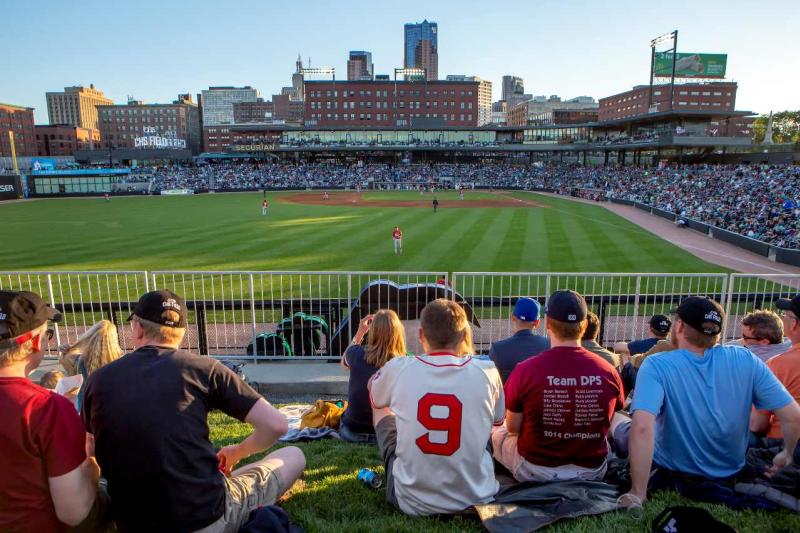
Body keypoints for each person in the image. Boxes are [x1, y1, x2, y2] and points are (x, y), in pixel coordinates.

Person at [82, 290, 305, 532]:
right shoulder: (204, 369)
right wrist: (238, 451)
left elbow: (88, 447)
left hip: (132, 519)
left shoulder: (99, 380)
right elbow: (277, 425)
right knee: (293, 455)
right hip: (205, 517)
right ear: (182, 333)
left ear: (137, 328)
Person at [614, 296, 800, 507]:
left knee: (616, 419)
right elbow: (793, 416)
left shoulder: (657, 364)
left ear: (680, 326)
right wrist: (787, 454)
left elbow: (642, 429)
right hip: (731, 470)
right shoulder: (745, 358)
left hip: (674, 469)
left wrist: (638, 492)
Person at [369, 299, 504, 516]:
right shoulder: (487, 371)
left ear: (421, 335)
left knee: (382, 407)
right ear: (462, 336)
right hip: (477, 498)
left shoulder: (399, 368)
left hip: (411, 501)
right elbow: (497, 422)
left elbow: (374, 395)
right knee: (488, 426)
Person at [493, 290, 624, 482]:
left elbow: (513, 427)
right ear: (584, 324)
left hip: (535, 470)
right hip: (592, 470)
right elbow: (612, 415)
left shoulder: (525, 370)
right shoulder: (608, 370)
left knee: (498, 430)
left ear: (547, 324)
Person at [0, 291, 101, 531]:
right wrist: (93, 469)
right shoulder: (46, 408)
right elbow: (73, 512)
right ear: (35, 342)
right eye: (48, 334)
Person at [339, 310, 406, 443]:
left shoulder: (355, 352)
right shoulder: (404, 363)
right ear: (398, 333)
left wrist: (359, 334)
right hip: (386, 434)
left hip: (352, 431)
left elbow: (343, 364)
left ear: (372, 331)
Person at [750, 295, 800, 454]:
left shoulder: (779, 364)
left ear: (794, 323)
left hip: (781, 448)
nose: (783, 319)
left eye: (786, 315)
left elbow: (757, 425)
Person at [59, 319, 123, 411]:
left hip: (85, 413)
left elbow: (65, 358)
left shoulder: (79, 362)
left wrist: (68, 349)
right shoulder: (121, 363)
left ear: (90, 339)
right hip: (112, 412)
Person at [488, 297, 549, 383]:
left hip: (508, 396)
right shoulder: (549, 346)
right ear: (537, 322)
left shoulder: (498, 349)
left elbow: (491, 385)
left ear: (512, 317)